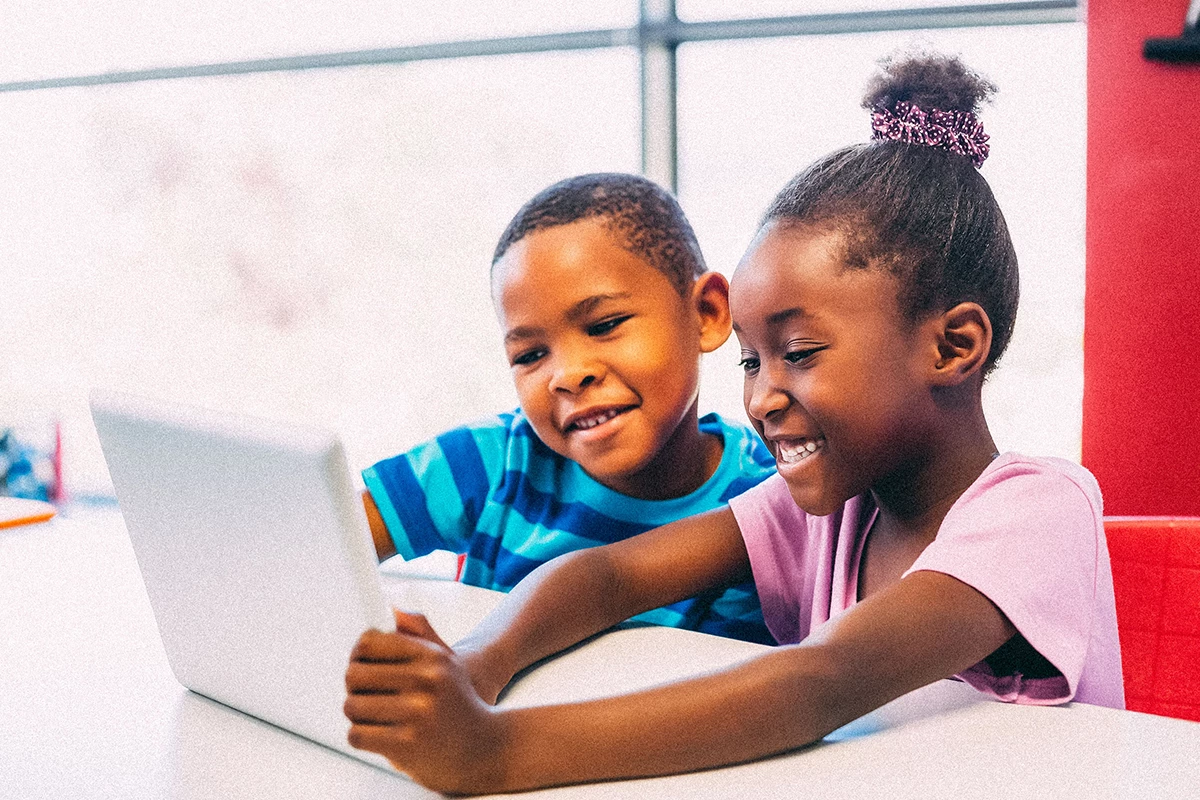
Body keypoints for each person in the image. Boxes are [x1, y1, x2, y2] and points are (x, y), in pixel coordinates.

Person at [343, 53, 1124, 794]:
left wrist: (494, 749)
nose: (761, 398)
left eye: (799, 352)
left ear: (952, 346)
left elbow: (819, 681)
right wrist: (478, 661)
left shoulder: (1038, 513)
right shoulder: (831, 508)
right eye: (752, 362)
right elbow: (608, 575)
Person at [362, 173, 777, 643]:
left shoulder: (768, 504)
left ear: (706, 313)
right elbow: (318, 546)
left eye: (605, 325)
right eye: (530, 355)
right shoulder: (491, 460)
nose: (567, 374)